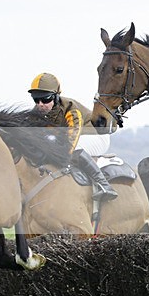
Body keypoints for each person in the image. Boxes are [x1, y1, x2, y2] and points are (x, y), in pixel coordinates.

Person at [28, 73, 118, 201]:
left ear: (56, 96)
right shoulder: (36, 112)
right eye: (36, 99)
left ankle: (104, 185)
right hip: (75, 137)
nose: (41, 104)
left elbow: (72, 139)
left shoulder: (71, 109)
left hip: (97, 137)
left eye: (46, 99)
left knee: (71, 149)